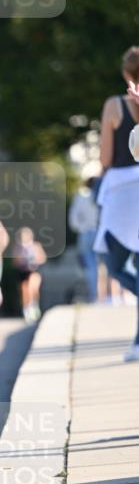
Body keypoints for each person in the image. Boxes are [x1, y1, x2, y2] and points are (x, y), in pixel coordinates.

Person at [93, 47, 139, 361]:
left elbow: (106, 158)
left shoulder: (115, 105)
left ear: (126, 74)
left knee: (115, 263)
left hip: (123, 191)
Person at [68, 176, 100, 302]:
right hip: (99, 232)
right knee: (102, 265)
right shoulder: (101, 194)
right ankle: (105, 296)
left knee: (90, 266)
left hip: (85, 233)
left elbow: (73, 219)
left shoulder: (81, 197)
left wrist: (81, 227)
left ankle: (95, 295)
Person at [13, 227, 47, 322]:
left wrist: (34, 260)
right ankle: (27, 308)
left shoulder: (36, 246)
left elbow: (42, 258)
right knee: (25, 290)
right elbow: (15, 262)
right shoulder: (18, 248)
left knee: (33, 287)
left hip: (34, 270)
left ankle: (34, 305)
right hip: (23, 271)